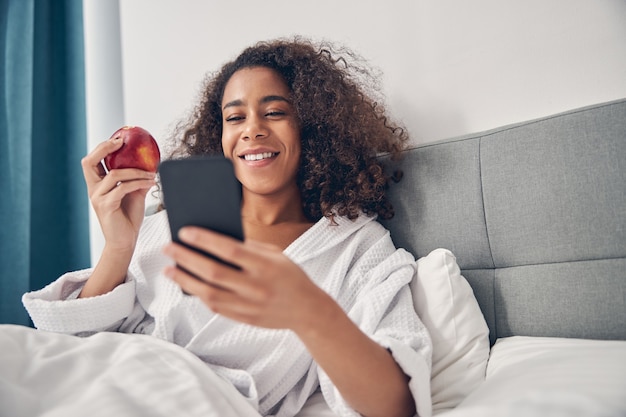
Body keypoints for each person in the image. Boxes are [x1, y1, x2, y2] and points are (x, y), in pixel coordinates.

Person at [23, 37, 432, 417]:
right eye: (234, 117)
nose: (251, 129)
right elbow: (74, 340)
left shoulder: (355, 246)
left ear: (313, 127)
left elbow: (395, 404)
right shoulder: (171, 227)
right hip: (107, 383)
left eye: (274, 112)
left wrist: (311, 311)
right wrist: (118, 246)